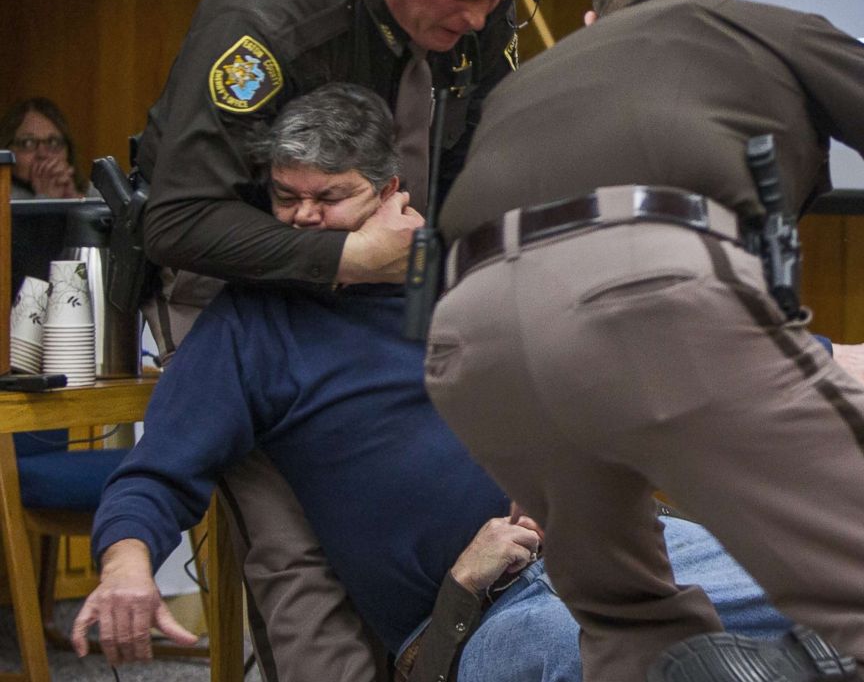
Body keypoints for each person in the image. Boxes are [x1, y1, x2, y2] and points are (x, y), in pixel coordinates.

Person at [71, 83, 792, 682]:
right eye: (286, 199)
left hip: (617, 536)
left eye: (330, 198)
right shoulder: (252, 324)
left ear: (389, 194)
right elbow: (158, 471)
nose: (303, 220)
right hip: (490, 606)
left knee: (835, 595)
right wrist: (126, 564)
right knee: (613, 655)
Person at [423, 0, 864, 680]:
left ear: (596, 20)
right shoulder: (757, 26)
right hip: (653, 285)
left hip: (467, 337)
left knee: (629, 622)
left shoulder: (525, 84)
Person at [130, 0, 528, 679]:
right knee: (300, 558)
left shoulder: (482, 11)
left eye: (497, 0)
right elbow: (178, 219)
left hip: (393, 288)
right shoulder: (267, 16)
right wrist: (344, 258)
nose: (478, 19)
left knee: (422, 500)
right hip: (239, 282)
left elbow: (476, 163)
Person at [0, 97, 87, 199]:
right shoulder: (4, 201)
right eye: (28, 143)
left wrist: (76, 202)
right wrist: (46, 199)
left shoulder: (94, 192)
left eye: (53, 142)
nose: (43, 154)